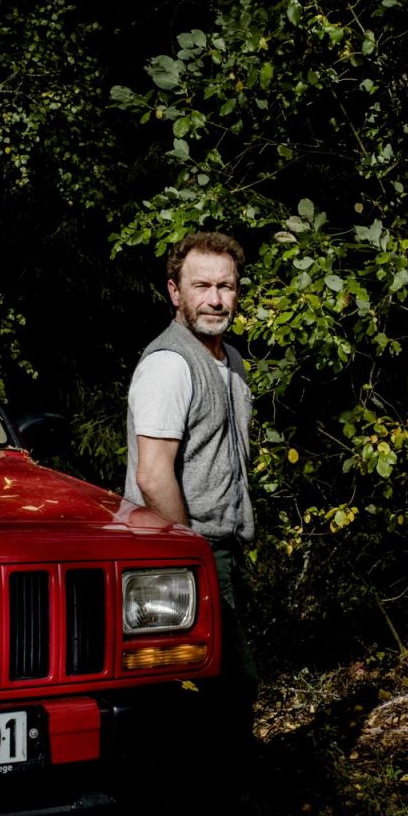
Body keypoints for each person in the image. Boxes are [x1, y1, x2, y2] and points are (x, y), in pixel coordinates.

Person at [123, 230, 259, 704]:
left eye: (226, 286)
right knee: (228, 688)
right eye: (202, 286)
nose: (215, 300)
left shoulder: (232, 361)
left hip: (224, 548)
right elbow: (152, 475)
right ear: (175, 292)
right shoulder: (169, 364)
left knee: (215, 690)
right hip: (184, 553)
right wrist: (191, 558)